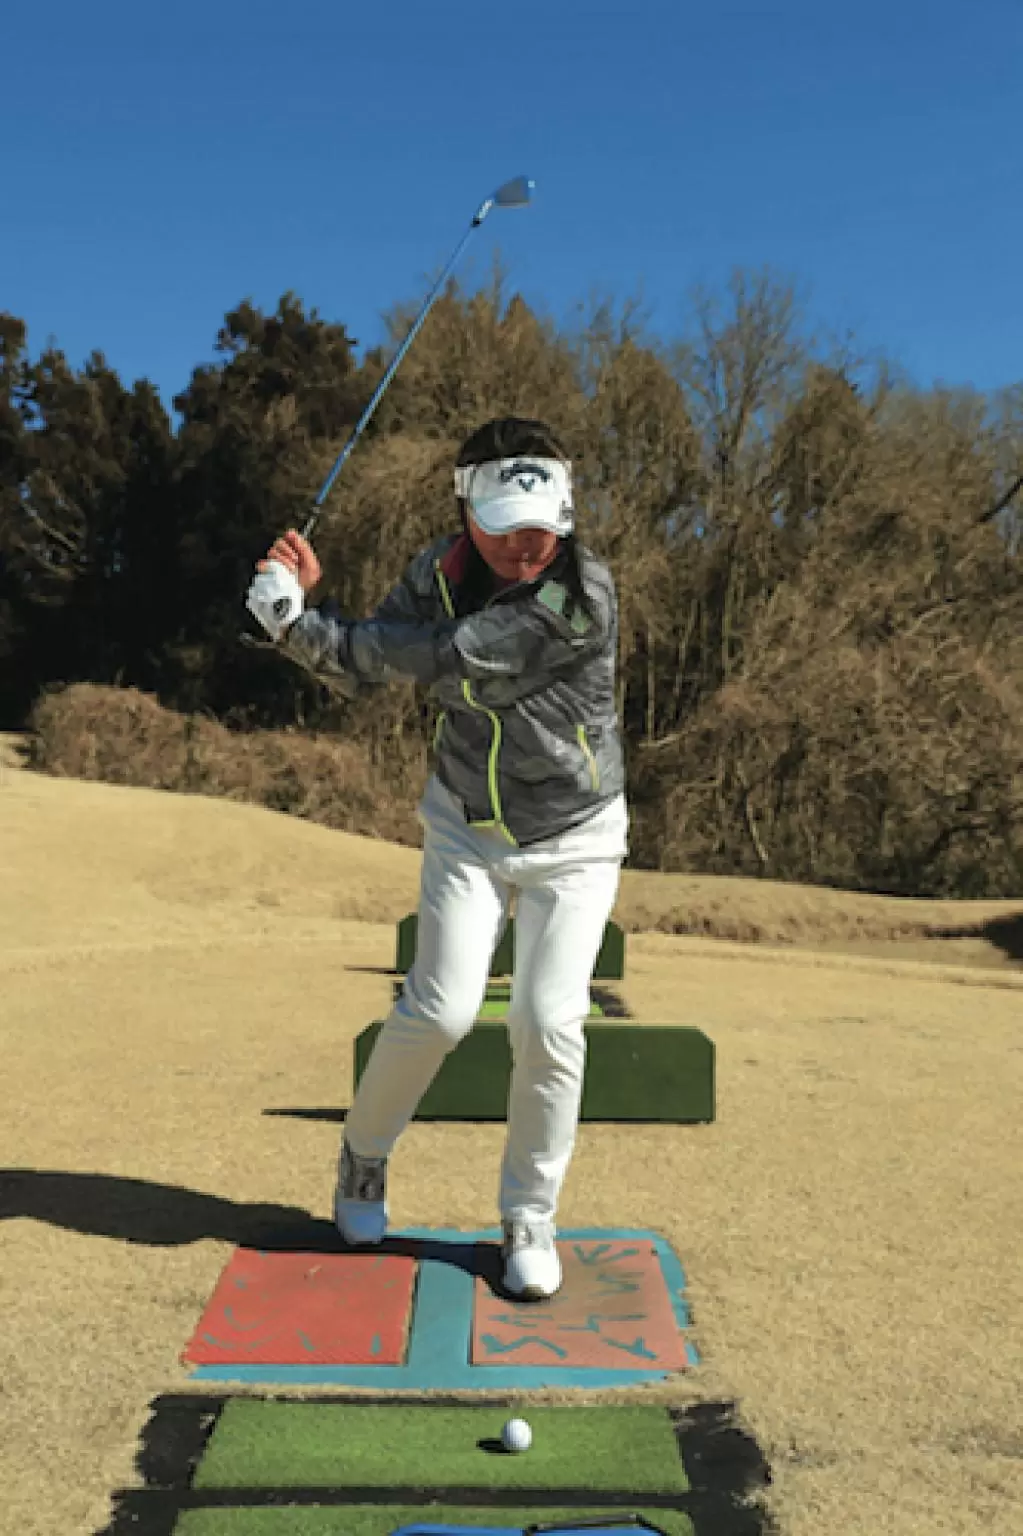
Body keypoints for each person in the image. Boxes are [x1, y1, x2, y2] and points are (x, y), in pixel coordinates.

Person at [246, 416, 628, 1300]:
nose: (525, 547)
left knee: (549, 1021)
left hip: (574, 835)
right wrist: (297, 604)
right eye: (504, 529)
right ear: (466, 513)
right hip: (465, 822)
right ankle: (363, 1157)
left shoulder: (582, 598)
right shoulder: (435, 572)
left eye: (541, 528)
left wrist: (297, 628)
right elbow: (363, 665)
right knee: (440, 1010)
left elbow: (438, 659)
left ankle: (528, 1214)